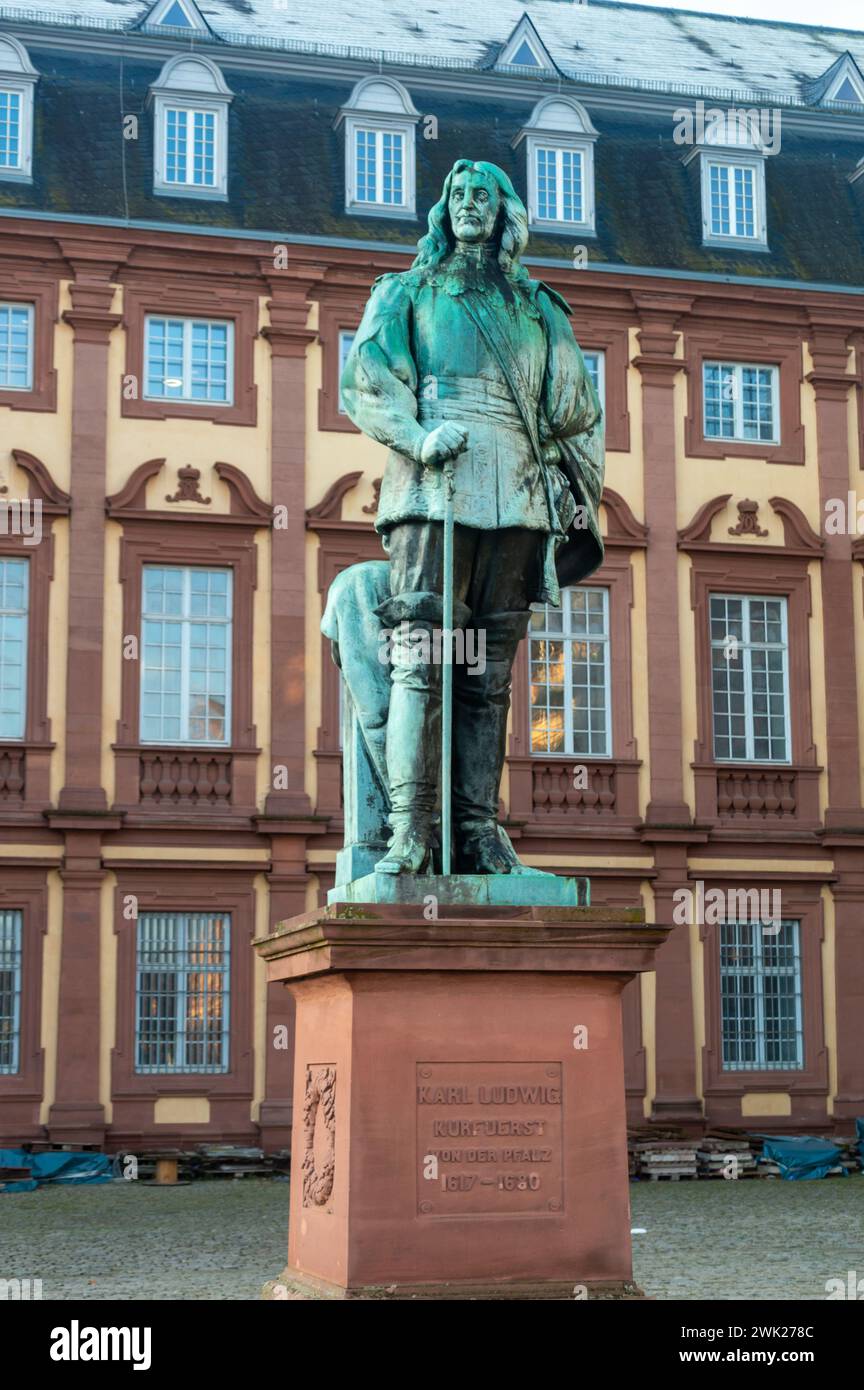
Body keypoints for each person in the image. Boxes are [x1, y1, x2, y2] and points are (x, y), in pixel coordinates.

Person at [340, 158, 604, 875]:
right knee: (423, 665)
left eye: (481, 195)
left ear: (504, 211)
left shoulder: (539, 308)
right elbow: (366, 382)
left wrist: (560, 475)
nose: (466, 205)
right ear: (443, 208)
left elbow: (578, 407)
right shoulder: (408, 291)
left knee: (488, 677)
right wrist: (420, 436)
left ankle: (479, 829)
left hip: (514, 496)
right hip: (434, 490)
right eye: (456, 194)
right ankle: (409, 829)